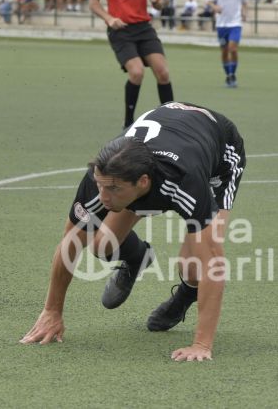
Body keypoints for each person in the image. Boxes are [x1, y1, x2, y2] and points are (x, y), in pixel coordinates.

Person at [20, 101, 246, 363]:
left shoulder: (185, 181)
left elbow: (213, 264)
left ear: (143, 183)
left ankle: (186, 294)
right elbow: (70, 243)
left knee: (193, 266)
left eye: (112, 189)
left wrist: (201, 344)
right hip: (161, 148)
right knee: (101, 244)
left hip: (220, 157)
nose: (102, 197)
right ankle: (136, 258)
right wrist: (52, 310)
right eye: (100, 186)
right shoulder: (104, 178)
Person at [89, 0, 174, 128]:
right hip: (120, 30)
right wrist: (109, 19)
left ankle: (172, 120)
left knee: (162, 72)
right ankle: (128, 122)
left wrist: (157, 0)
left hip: (144, 27)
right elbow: (93, 2)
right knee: (136, 72)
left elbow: (159, 3)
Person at [206, 0, 248, 88]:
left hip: (235, 23)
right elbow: (209, 0)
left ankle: (232, 74)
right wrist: (215, 7)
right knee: (224, 51)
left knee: (233, 49)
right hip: (221, 24)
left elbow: (245, 3)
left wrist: (244, 13)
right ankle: (228, 76)